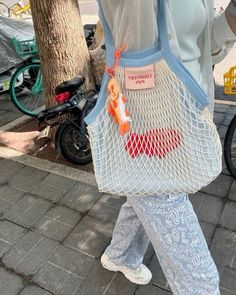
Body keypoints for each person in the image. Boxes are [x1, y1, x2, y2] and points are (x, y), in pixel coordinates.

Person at [97, 1, 236, 294]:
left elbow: (200, 46)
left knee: (147, 189)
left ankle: (120, 254)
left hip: (188, 116)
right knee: (199, 278)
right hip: (146, 122)